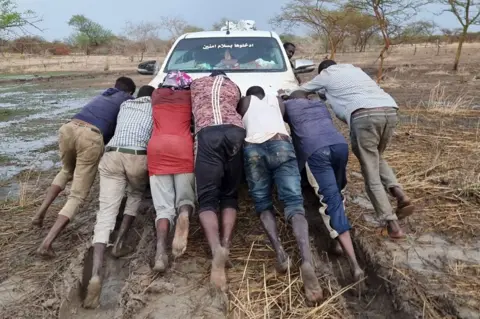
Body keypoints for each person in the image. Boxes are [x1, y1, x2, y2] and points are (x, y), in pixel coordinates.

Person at [292, 60, 415, 239]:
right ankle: (399, 193)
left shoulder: (327, 75)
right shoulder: (354, 70)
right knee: (376, 157)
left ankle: (392, 225)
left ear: (322, 71)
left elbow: (302, 89)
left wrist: (285, 95)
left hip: (363, 115)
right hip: (389, 110)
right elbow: (325, 94)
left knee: (370, 171)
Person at [32, 77, 136, 258]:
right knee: (78, 195)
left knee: (66, 171)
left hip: (69, 128)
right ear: (129, 92)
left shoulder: (104, 94)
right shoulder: (127, 100)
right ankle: (46, 243)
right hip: (90, 136)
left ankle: (39, 215)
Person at [237, 86, 323, 303]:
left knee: (262, 203)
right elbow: (284, 114)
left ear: (249, 95)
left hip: (254, 148)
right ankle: (306, 260)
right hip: (281, 143)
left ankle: (280, 253)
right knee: (294, 204)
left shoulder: (245, 102)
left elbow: (239, 119)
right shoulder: (276, 100)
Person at [83, 85, 154, 309]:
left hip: (112, 155)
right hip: (137, 156)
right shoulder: (156, 107)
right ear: (153, 97)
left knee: (105, 213)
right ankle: (120, 243)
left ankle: (95, 274)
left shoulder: (125, 104)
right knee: (134, 194)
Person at [284, 90, 364, 285]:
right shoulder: (319, 105)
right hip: (339, 146)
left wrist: (283, 99)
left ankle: (355, 265)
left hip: (317, 151)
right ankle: (337, 242)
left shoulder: (289, 106)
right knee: (337, 192)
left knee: (330, 201)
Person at [190, 71, 246, 292]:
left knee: (207, 199)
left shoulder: (195, 85)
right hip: (235, 132)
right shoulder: (235, 86)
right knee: (229, 195)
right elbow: (239, 108)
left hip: (208, 133)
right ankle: (226, 244)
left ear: (209, 76)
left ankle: (216, 250)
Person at [147, 71, 196, 273]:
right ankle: (184, 213)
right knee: (185, 199)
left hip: (157, 149)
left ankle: (160, 252)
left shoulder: (156, 97)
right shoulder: (189, 98)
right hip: (182, 147)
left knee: (163, 208)